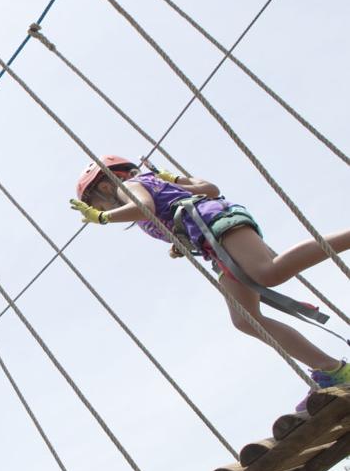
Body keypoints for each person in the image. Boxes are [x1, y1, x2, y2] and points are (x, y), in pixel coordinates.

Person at [70, 155, 350, 405]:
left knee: (268, 273)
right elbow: (209, 190)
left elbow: (143, 207)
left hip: (215, 223)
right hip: (211, 237)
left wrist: (104, 217)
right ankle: (332, 370)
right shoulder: (155, 183)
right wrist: (178, 215)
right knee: (246, 319)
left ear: (104, 187)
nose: (99, 208)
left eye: (95, 203)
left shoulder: (128, 187)